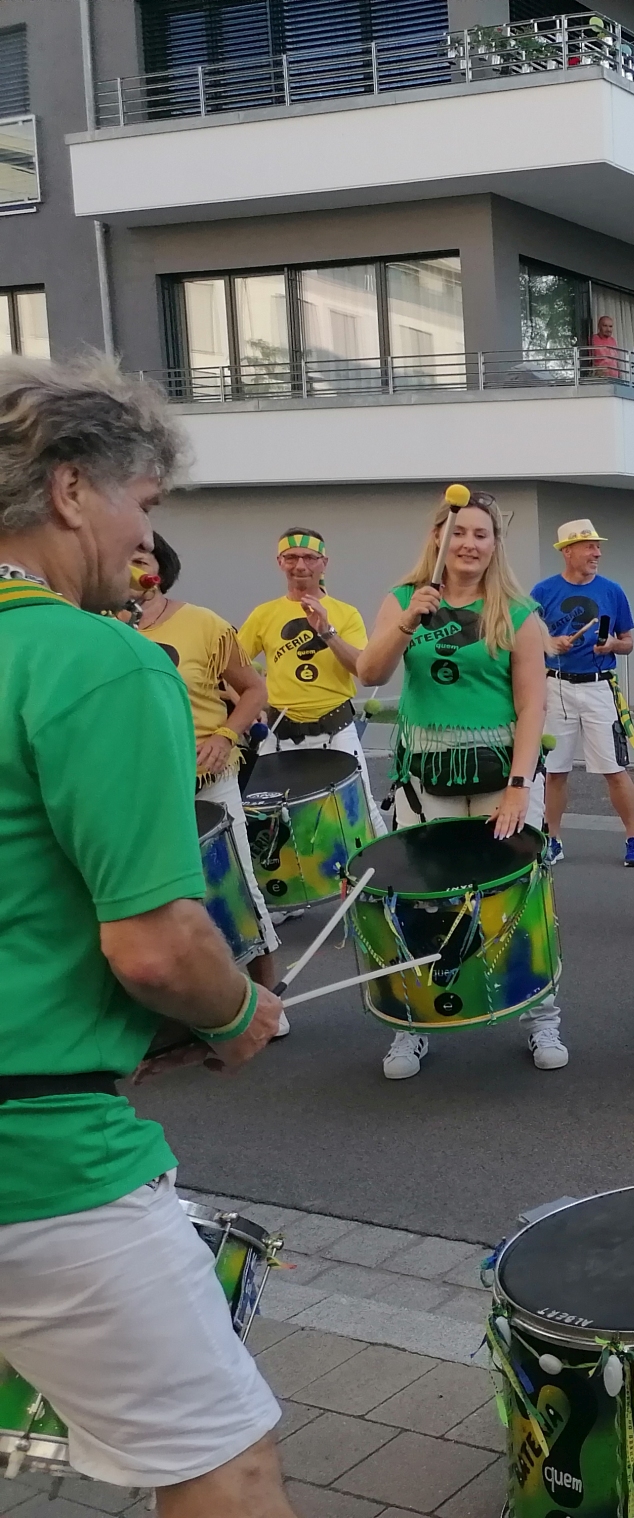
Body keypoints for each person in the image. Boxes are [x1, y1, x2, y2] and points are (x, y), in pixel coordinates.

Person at [0, 356, 295, 1517]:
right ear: (71, 491)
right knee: (227, 1469)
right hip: (39, 1155)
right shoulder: (98, 660)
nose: (142, 538)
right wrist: (236, 1014)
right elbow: (157, 946)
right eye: (143, 504)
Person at [356, 487, 565, 1080]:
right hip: (426, 778)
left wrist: (522, 787)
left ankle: (541, 1014)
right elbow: (369, 672)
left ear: (495, 545)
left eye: (481, 534)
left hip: (501, 777)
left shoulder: (519, 614)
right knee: (419, 900)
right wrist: (405, 623)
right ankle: (412, 1023)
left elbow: (531, 708)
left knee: (519, 899)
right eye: (460, 533)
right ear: (438, 539)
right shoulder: (402, 598)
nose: (470, 543)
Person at [132, 536, 284, 1018]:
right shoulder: (92, 628)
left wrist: (224, 735)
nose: (132, 568)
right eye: (123, 559)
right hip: (137, 789)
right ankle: (186, 1007)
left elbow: (253, 690)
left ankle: (268, 998)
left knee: (235, 884)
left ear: (161, 569)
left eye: (142, 559)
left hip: (208, 781)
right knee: (161, 899)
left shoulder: (203, 623)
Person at [238, 527, 382, 836]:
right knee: (270, 818)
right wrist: (246, 708)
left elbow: (361, 666)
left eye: (309, 557)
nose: (300, 565)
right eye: (291, 557)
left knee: (360, 808)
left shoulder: (345, 613)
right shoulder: (264, 614)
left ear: (323, 563)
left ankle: (377, 878)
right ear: (280, 562)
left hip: (336, 728)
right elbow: (230, 666)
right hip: (280, 732)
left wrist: (327, 631)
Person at [531, 519, 634, 868]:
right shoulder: (542, 593)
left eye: (597, 546)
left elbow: (627, 641)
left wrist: (612, 644)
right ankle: (553, 838)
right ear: (567, 552)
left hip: (599, 686)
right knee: (555, 769)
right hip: (555, 685)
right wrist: (550, 643)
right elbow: (525, 641)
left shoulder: (612, 591)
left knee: (614, 767)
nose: (597, 552)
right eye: (589, 546)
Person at [587, 314, 622, 380]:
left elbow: (616, 360)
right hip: (600, 379)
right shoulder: (593, 339)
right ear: (599, 326)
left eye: (610, 326)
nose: (608, 329)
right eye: (605, 326)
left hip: (614, 379)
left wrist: (620, 377)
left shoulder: (613, 340)